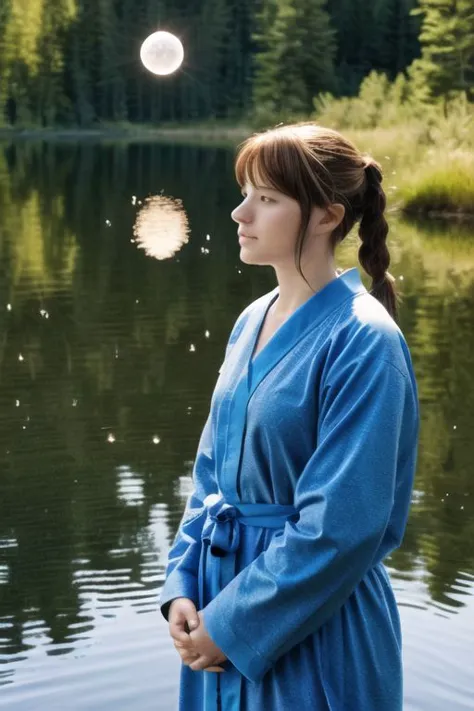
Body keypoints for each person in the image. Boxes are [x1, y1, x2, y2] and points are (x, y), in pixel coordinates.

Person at [159, 122, 420, 711]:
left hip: (311, 624)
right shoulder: (251, 318)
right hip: (214, 608)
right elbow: (210, 475)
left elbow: (342, 525)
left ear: (327, 216)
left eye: (266, 199)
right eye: (246, 193)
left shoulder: (364, 340)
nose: (239, 213)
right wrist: (183, 585)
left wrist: (232, 626)